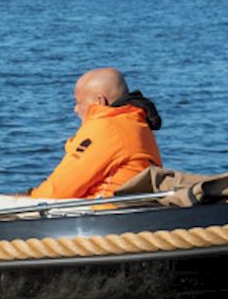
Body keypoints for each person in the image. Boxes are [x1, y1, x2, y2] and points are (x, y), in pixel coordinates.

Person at [28, 67, 162, 200]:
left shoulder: (107, 128)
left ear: (99, 101)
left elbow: (57, 192)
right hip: (126, 209)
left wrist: (27, 197)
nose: (75, 109)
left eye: (78, 102)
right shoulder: (137, 123)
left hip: (103, 211)